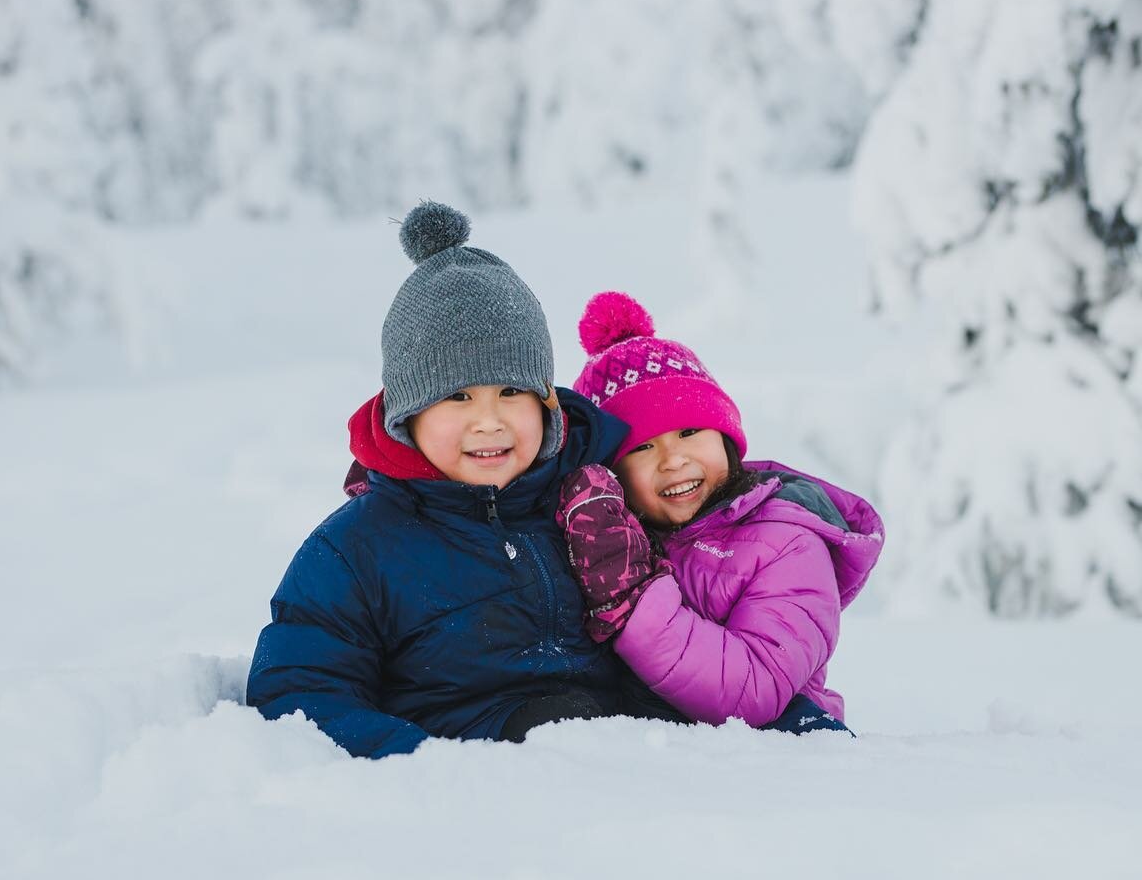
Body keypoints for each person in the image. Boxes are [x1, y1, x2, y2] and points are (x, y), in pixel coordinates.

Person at [245, 202, 629, 758]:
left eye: (512, 392)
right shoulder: (357, 549)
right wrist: (428, 767)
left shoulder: (597, 500)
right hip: (466, 792)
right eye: (458, 396)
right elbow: (300, 695)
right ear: (407, 417)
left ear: (546, 404)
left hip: (626, 771)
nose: (489, 420)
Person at [554, 291, 885, 733]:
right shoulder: (606, 537)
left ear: (726, 438)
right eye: (643, 448)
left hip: (772, 744)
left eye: (689, 432)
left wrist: (632, 602)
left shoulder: (787, 541)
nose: (673, 460)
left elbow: (755, 690)